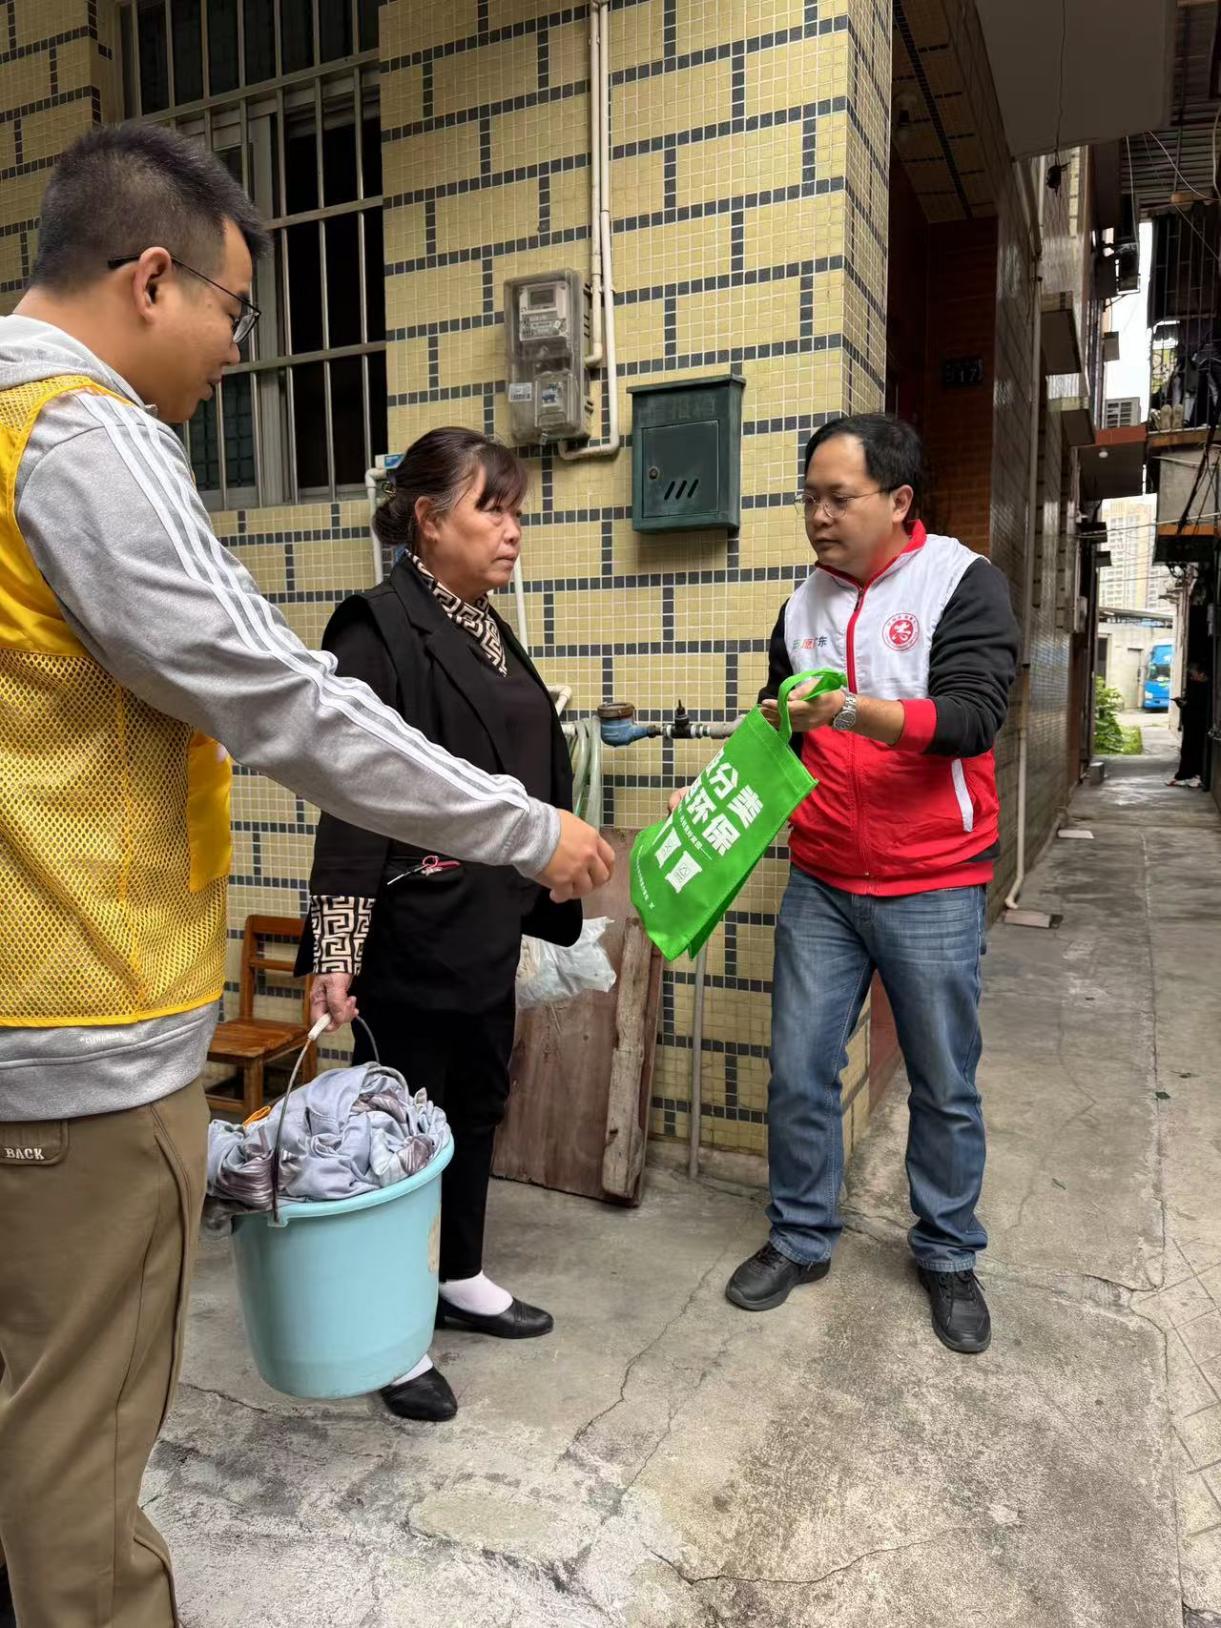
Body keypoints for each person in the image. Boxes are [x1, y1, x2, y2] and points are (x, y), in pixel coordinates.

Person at [0, 123, 612, 1628]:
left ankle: (452, 1276)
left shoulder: (493, 632)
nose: (236, 350)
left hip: (88, 1000)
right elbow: (300, 723)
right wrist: (520, 834)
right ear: (152, 278)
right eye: (235, 310)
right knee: (75, 1444)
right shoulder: (83, 440)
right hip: (77, 1023)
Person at [703, 414, 1019, 1354]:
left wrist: (850, 710)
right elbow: (779, 727)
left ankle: (948, 1252)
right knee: (800, 1069)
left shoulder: (961, 582)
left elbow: (970, 717)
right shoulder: (800, 607)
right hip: (825, 878)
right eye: (809, 498)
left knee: (943, 1081)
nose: (818, 516)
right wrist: (726, 774)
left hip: (933, 879)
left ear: (898, 499)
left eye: (837, 498)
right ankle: (800, 1237)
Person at [300, 428, 580, 1423]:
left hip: (485, 925)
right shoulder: (378, 629)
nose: (511, 529)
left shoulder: (486, 628)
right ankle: (391, 1327)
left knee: (475, 1103)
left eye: (516, 511)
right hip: (411, 933)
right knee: (397, 1130)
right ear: (426, 518)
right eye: (489, 509)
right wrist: (336, 950)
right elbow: (350, 797)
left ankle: (458, 1273)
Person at [1168, 661, 1210, 788]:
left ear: (1202, 674)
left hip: (1199, 725)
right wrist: (1182, 703)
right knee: (1187, 750)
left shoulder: (1207, 688)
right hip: (1191, 724)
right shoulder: (1196, 686)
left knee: (1194, 751)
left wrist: (1185, 704)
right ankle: (1186, 775)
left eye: (1193, 674)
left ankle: (1193, 775)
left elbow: (1199, 707)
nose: (1191, 677)